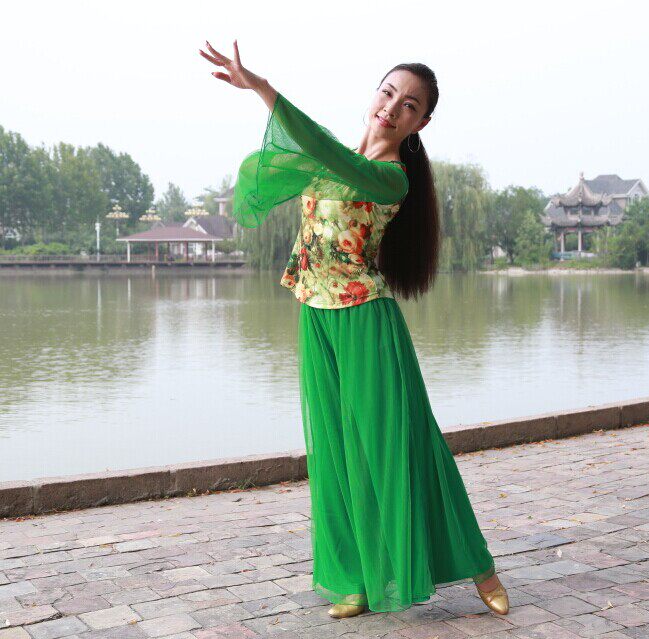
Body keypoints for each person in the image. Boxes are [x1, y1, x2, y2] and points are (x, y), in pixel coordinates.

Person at [200, 40, 509, 618]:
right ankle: (356, 579)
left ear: (421, 123)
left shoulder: (389, 178)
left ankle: (480, 567)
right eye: (387, 93)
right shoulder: (334, 159)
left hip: (366, 320)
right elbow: (294, 161)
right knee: (335, 452)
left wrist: (263, 89)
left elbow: (317, 146)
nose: (391, 108)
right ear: (375, 94)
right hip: (316, 316)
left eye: (409, 105)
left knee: (402, 448)